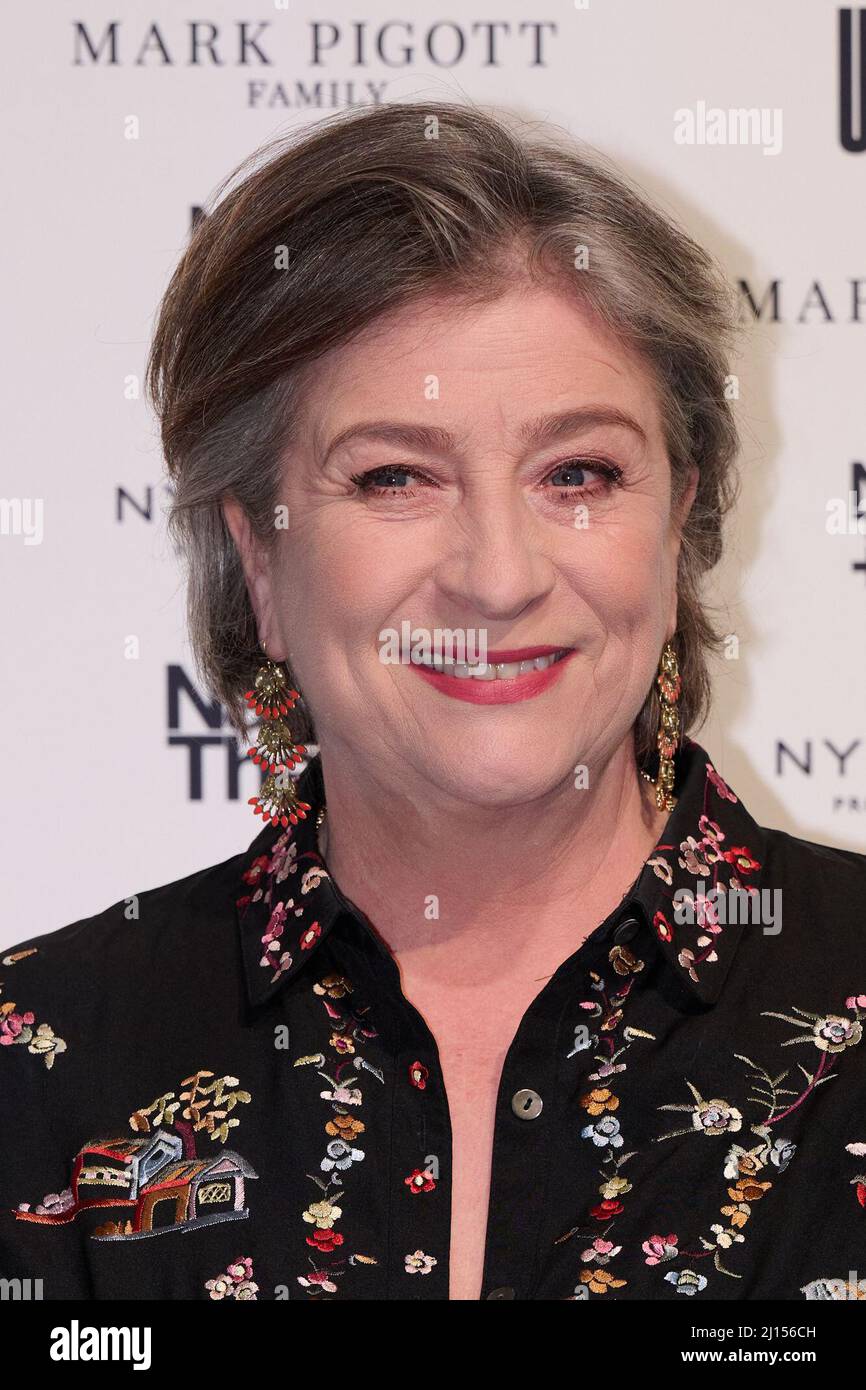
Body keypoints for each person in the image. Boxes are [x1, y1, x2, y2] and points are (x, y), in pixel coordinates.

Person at [2, 101, 864, 1303]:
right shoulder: (38, 1063)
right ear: (258, 555)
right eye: (395, 476)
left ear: (676, 524)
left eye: (578, 473)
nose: (498, 575)